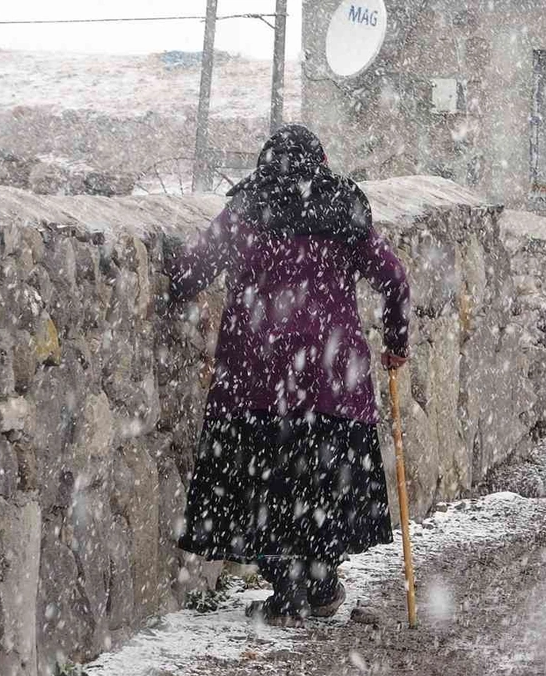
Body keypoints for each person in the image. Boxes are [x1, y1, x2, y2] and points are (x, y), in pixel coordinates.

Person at [166, 124, 411, 624]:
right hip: (333, 381)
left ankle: (289, 591)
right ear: (318, 160)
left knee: (266, 490)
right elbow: (395, 279)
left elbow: (192, 270)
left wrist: (172, 283)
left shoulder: (245, 209)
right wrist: (395, 344)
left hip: (258, 381)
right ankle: (319, 584)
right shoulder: (345, 207)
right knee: (324, 487)